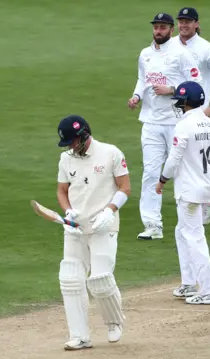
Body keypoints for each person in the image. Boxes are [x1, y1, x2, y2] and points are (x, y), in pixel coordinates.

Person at [55, 115, 131, 350]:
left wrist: (110, 211)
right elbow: (61, 191)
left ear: (84, 134)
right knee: (70, 278)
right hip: (76, 229)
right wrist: (68, 213)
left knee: (99, 280)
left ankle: (114, 322)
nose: (70, 147)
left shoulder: (111, 153)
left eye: (72, 141)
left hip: (103, 227)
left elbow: (125, 187)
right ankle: (79, 336)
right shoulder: (65, 159)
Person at [128, 12, 202, 240]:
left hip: (176, 121)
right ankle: (153, 225)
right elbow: (143, 79)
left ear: (171, 30)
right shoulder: (145, 54)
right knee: (150, 173)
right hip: (150, 122)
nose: (158, 31)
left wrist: (171, 90)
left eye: (163, 27)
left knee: (182, 171)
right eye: (156, 27)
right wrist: (136, 96)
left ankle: (191, 218)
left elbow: (195, 83)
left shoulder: (181, 53)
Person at [156, 81, 210, 305]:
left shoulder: (184, 126)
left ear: (186, 104)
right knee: (182, 232)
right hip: (205, 189)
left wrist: (162, 180)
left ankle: (207, 290)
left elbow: (174, 158)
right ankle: (189, 283)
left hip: (189, 192)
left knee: (194, 237)